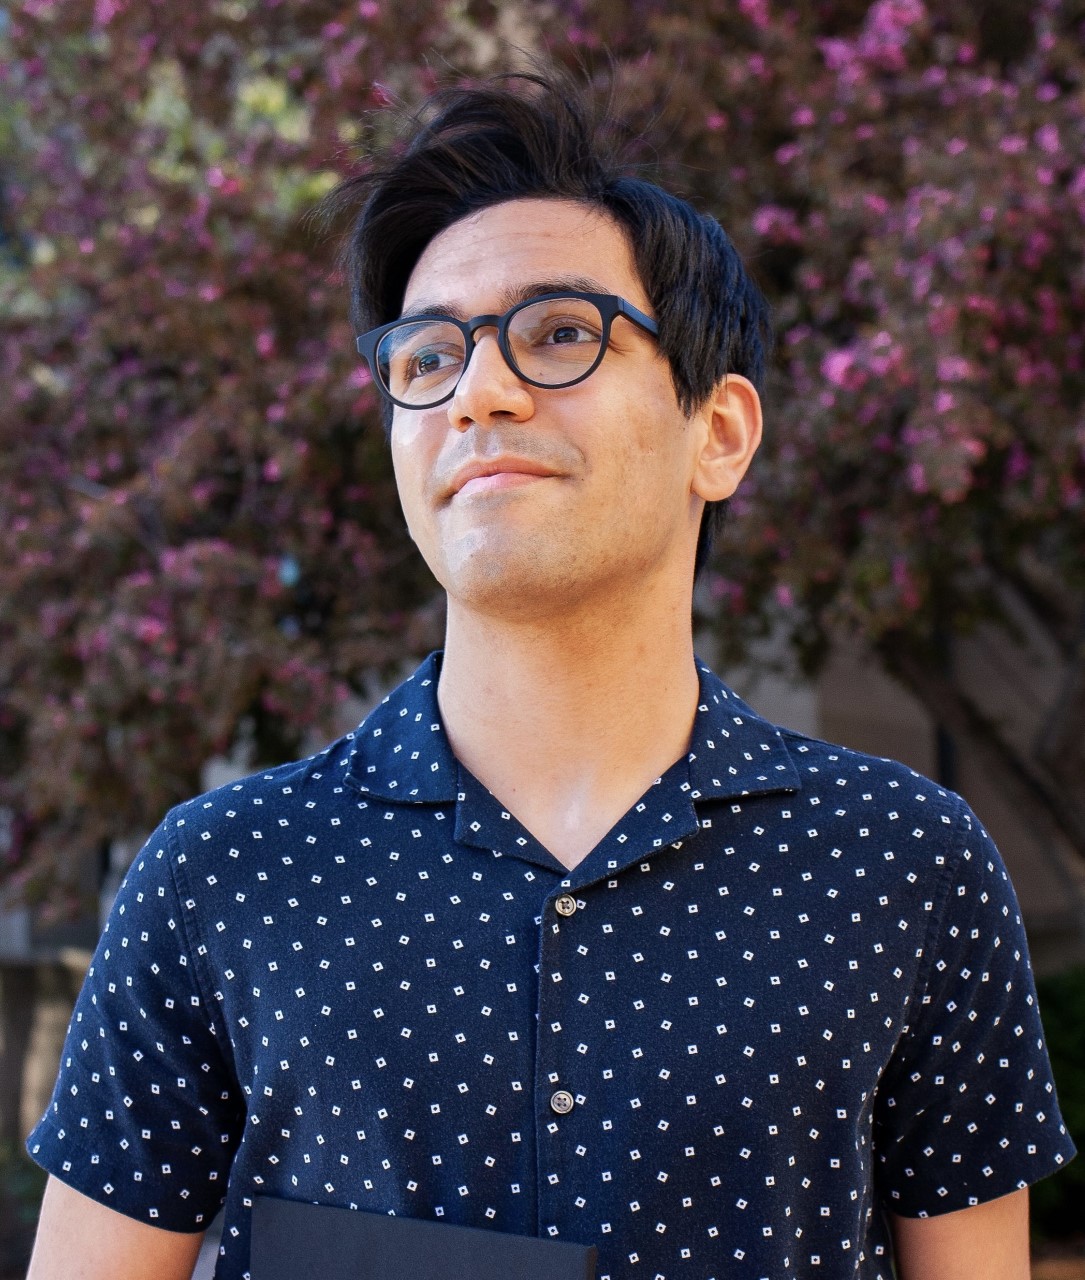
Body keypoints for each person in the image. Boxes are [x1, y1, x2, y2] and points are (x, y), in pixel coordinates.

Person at [26, 70, 1074, 1280]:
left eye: (560, 333)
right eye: (427, 356)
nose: (478, 391)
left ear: (719, 432)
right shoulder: (223, 872)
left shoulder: (902, 861)